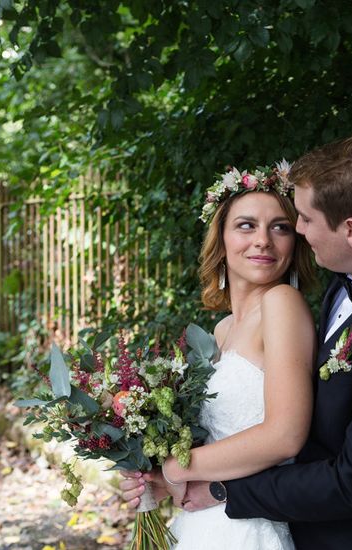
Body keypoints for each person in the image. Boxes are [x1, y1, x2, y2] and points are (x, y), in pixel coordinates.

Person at [123, 135, 352, 550]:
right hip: (263, 522)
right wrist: (170, 475)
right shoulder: (341, 285)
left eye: (297, 222)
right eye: (247, 225)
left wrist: (199, 478)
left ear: (351, 231)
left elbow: (349, 476)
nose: (298, 233)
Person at [122, 161, 317, 549]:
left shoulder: (283, 303)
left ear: (294, 241)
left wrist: (177, 466)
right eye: (246, 225)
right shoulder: (222, 330)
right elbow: (223, 443)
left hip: (251, 529)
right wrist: (163, 482)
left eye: (279, 227)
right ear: (221, 239)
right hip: (207, 520)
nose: (263, 240)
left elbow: (285, 436)